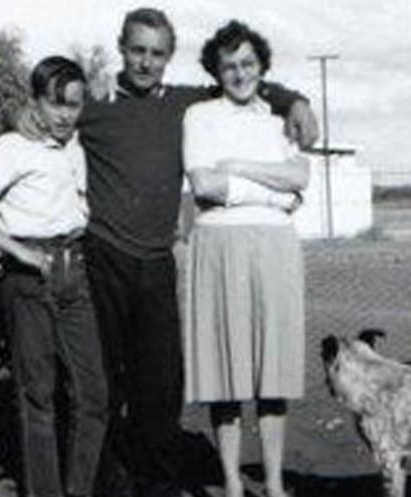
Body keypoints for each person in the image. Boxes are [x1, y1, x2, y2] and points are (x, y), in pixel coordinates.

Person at [18, 8, 317, 497]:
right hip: (105, 257)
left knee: (161, 384)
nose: (146, 62)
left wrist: (296, 100)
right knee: (105, 383)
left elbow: (244, 82)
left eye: (157, 54)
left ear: (168, 58)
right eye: (138, 50)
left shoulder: (185, 103)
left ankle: (158, 484)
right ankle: (110, 482)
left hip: (157, 261)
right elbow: (48, 117)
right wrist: (22, 115)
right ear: (121, 47)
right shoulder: (94, 108)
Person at [0, 56, 107, 497]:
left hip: (73, 270)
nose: (64, 113)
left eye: (74, 104)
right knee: (38, 398)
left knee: (93, 396)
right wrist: (19, 250)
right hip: (28, 276)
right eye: (54, 103)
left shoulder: (77, 145)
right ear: (35, 101)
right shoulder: (10, 147)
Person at [181, 20, 309, 497]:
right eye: (229, 65)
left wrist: (237, 167)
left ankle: (274, 484)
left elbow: (301, 177)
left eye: (248, 64)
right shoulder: (199, 115)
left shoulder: (279, 118)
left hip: (277, 247)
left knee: (273, 372)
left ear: (262, 67)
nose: (239, 74)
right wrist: (273, 190)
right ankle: (233, 483)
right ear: (216, 69)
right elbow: (204, 186)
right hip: (219, 247)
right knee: (226, 372)